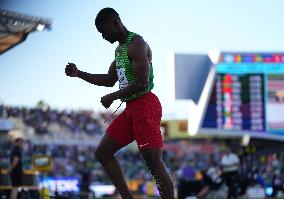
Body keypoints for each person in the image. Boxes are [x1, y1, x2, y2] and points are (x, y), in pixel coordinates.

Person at [65, 7, 174, 199]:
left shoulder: (137, 44)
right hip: (131, 108)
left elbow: (141, 83)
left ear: (116, 22)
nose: (103, 36)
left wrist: (112, 96)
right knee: (103, 153)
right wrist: (79, 74)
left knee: (154, 163)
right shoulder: (120, 49)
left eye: (104, 31)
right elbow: (109, 79)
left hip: (145, 105)